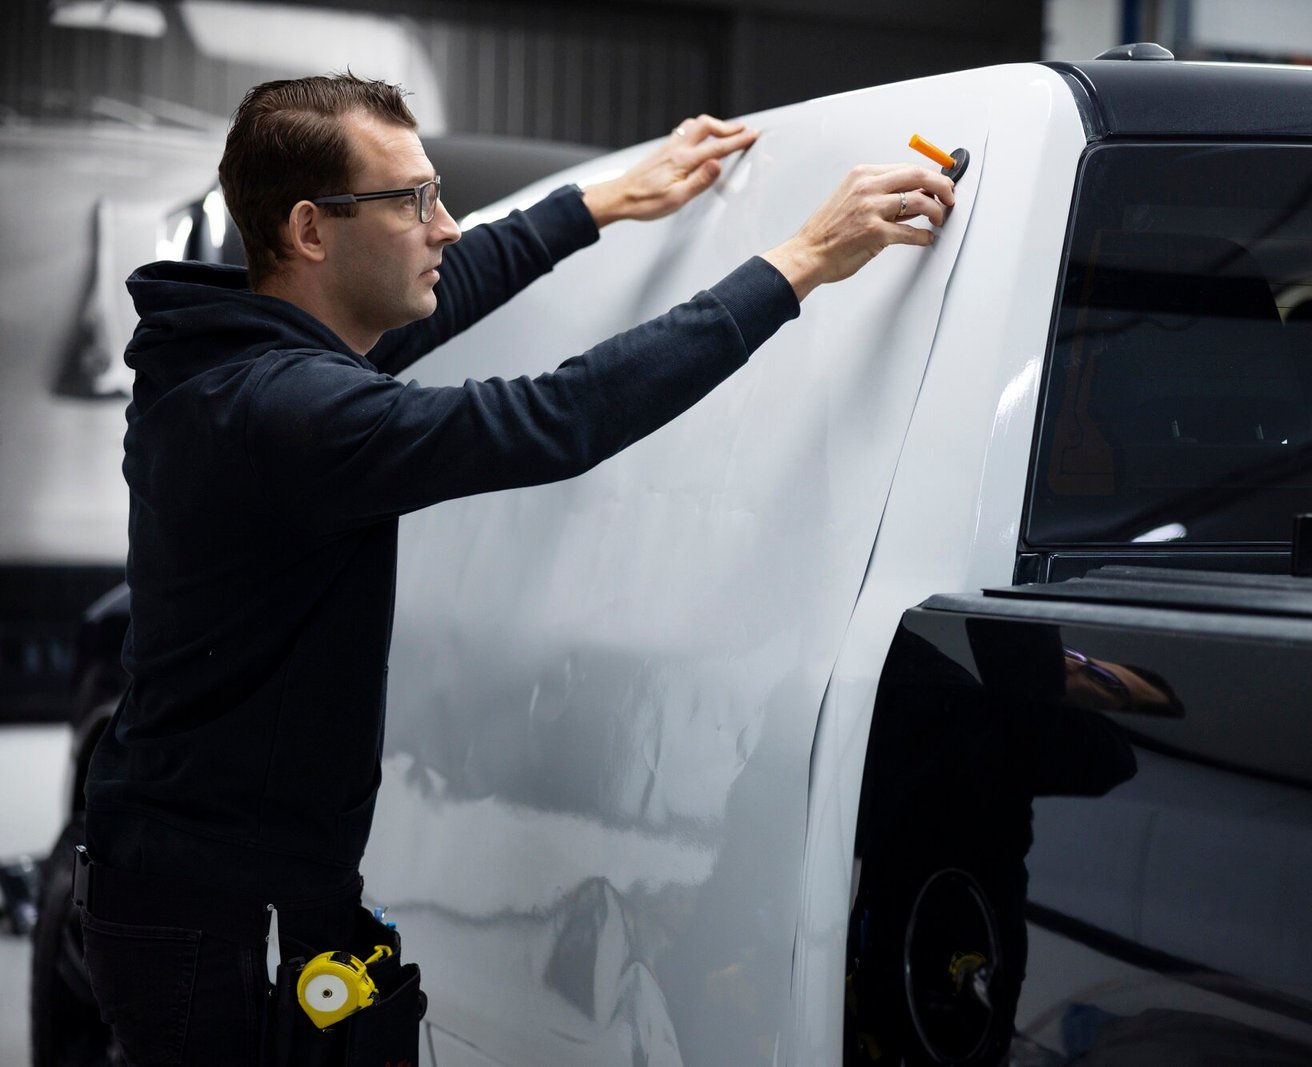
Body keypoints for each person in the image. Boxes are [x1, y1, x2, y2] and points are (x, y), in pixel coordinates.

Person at [75, 71, 954, 1066]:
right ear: (311, 231)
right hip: (224, 925)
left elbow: (444, 295)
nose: (445, 225)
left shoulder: (233, 360)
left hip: (200, 885)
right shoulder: (283, 414)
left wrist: (601, 201)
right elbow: (558, 416)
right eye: (412, 201)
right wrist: (798, 260)